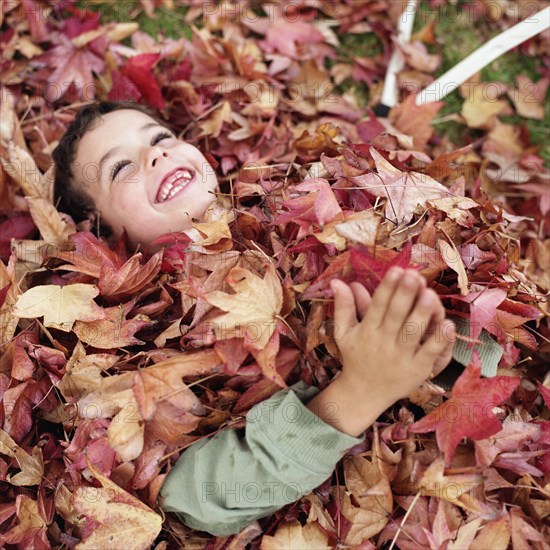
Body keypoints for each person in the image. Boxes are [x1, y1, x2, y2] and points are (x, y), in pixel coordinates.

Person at [51, 101, 483, 536]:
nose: (155, 155)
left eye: (160, 138)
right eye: (121, 167)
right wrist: (361, 392)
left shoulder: (309, 201)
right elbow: (197, 497)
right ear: (99, 229)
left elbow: (483, 340)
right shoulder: (147, 341)